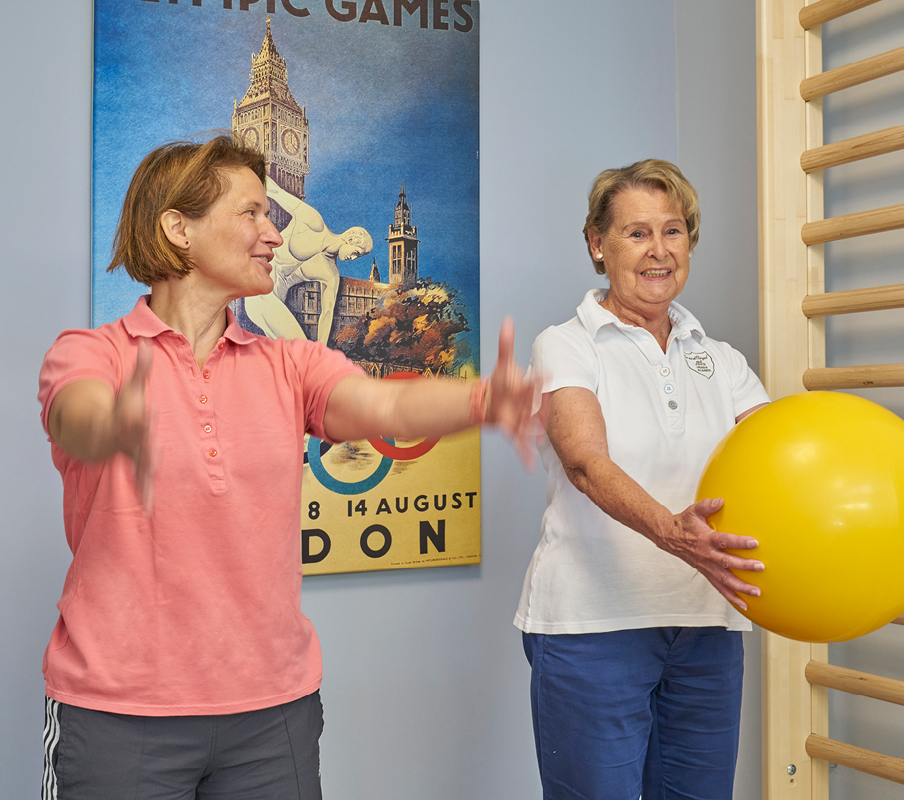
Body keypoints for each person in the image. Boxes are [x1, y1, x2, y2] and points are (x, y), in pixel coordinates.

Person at [37, 135, 537, 800]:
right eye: (251, 214)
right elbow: (76, 414)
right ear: (178, 228)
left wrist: (479, 400)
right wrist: (114, 425)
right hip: (120, 715)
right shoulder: (91, 353)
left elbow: (383, 400)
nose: (273, 232)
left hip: (271, 719)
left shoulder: (290, 364)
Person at [514, 159, 770, 800]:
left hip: (707, 622)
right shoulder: (567, 345)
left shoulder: (724, 359)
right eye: (635, 233)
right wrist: (674, 533)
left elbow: (778, 458)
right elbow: (584, 461)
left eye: (674, 231)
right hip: (592, 625)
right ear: (597, 244)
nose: (659, 250)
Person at [243, 179, 373, 345]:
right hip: (260, 292)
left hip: (275, 305)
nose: (353, 258)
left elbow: (326, 314)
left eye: (358, 257)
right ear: (350, 237)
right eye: (356, 253)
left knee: (294, 360)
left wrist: (321, 349)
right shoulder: (313, 222)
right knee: (303, 352)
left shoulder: (331, 273)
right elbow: (275, 192)